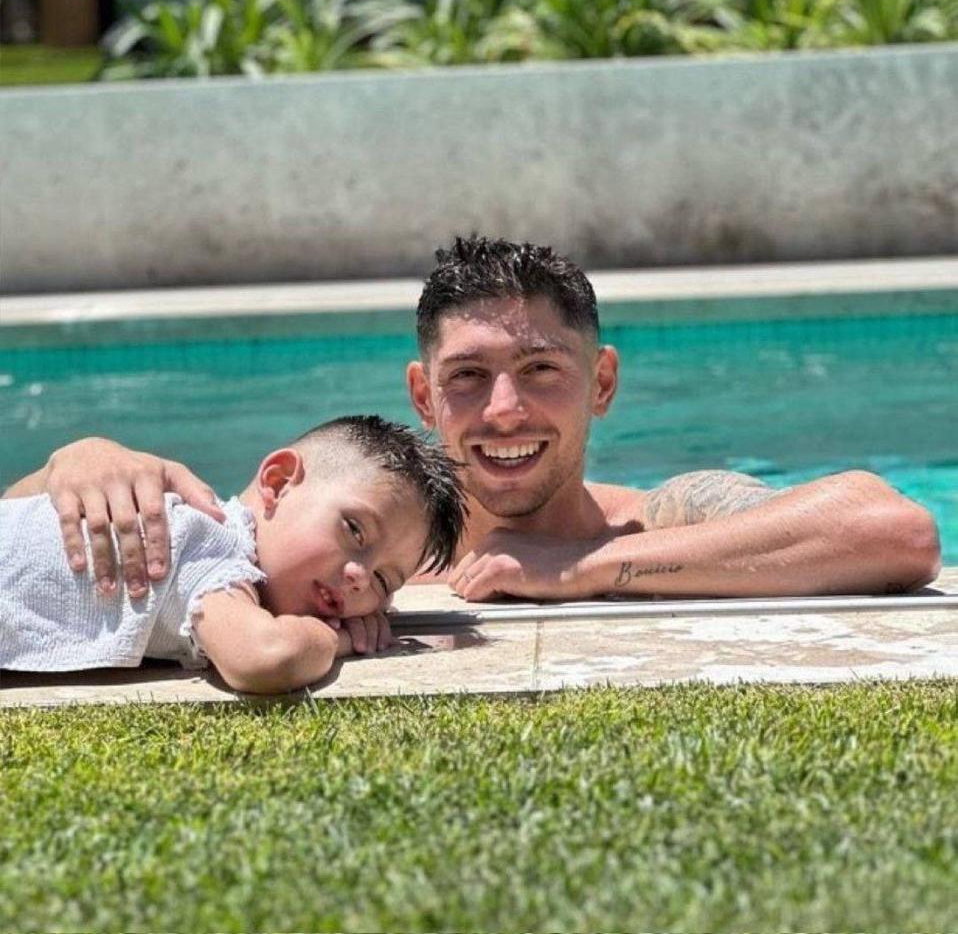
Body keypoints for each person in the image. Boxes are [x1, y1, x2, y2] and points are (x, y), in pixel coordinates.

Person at [4, 237, 941, 609]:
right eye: (468, 378)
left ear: (602, 382)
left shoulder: (660, 517)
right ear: (421, 396)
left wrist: (585, 569)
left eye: (542, 370)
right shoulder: (330, 528)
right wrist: (80, 459)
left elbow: (895, 529)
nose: (505, 411)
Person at [1, 415, 465, 693]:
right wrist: (337, 640)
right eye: (353, 530)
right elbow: (264, 658)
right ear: (278, 482)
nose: (361, 578)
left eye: (385, 581)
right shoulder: (213, 546)